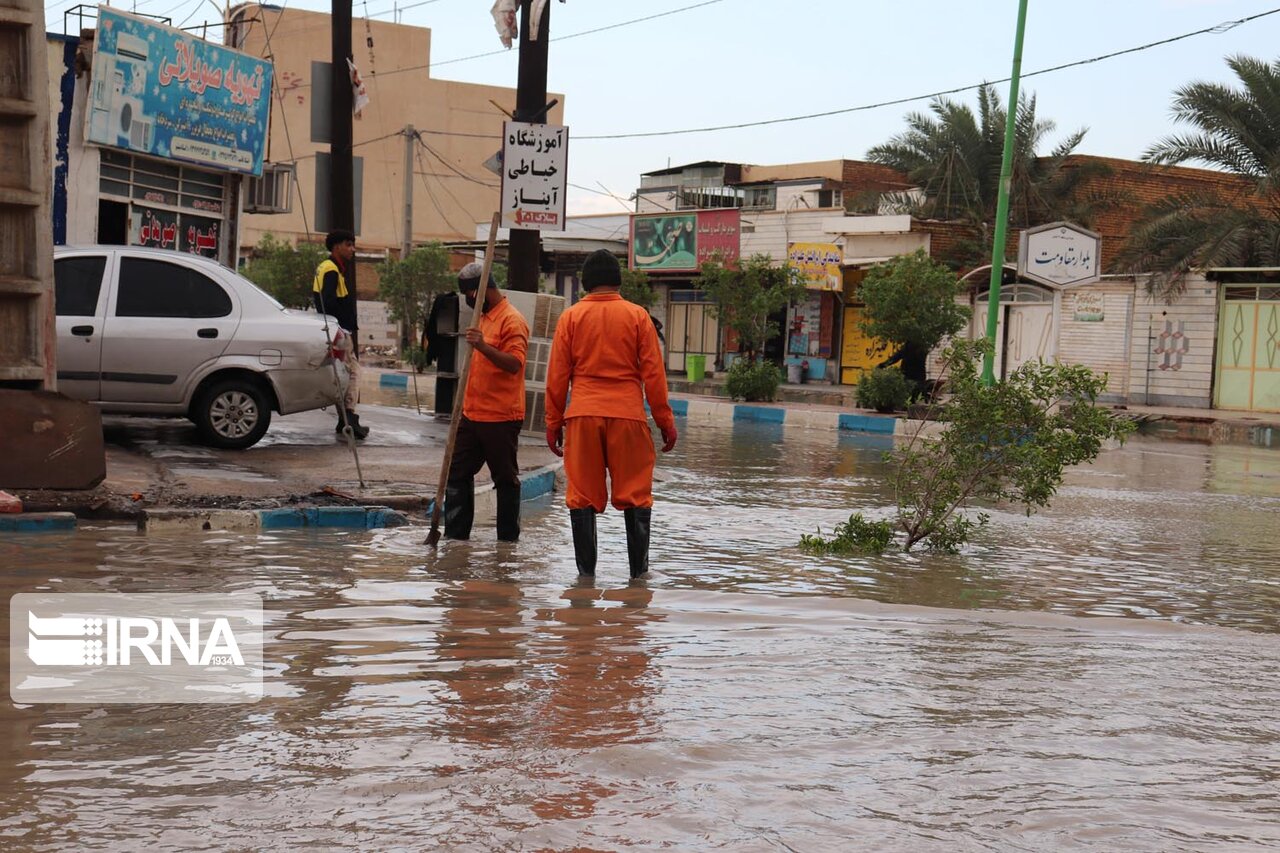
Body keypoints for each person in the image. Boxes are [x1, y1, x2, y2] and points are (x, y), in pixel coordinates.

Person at [545, 249, 678, 579]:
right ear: (618, 281)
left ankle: (584, 585)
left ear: (585, 283)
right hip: (628, 416)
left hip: (583, 416)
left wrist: (552, 422)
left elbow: (557, 376)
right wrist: (665, 421)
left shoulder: (571, 318)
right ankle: (638, 581)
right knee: (636, 497)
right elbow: (654, 376)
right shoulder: (637, 317)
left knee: (582, 499)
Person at [443, 262, 529, 542]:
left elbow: (515, 364)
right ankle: (455, 539)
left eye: (469, 293)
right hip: (472, 414)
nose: (468, 300)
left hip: (501, 417)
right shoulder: (481, 318)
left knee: (505, 480)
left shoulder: (512, 320)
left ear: (479, 290)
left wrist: (482, 345)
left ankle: (507, 543)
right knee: (457, 475)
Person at [313, 229, 368, 440]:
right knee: (353, 373)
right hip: (340, 331)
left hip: (338, 330)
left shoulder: (329, 268)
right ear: (337, 247)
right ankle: (349, 419)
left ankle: (345, 419)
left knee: (345, 374)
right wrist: (341, 328)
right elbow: (328, 303)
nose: (352, 249)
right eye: (349, 245)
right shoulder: (331, 270)